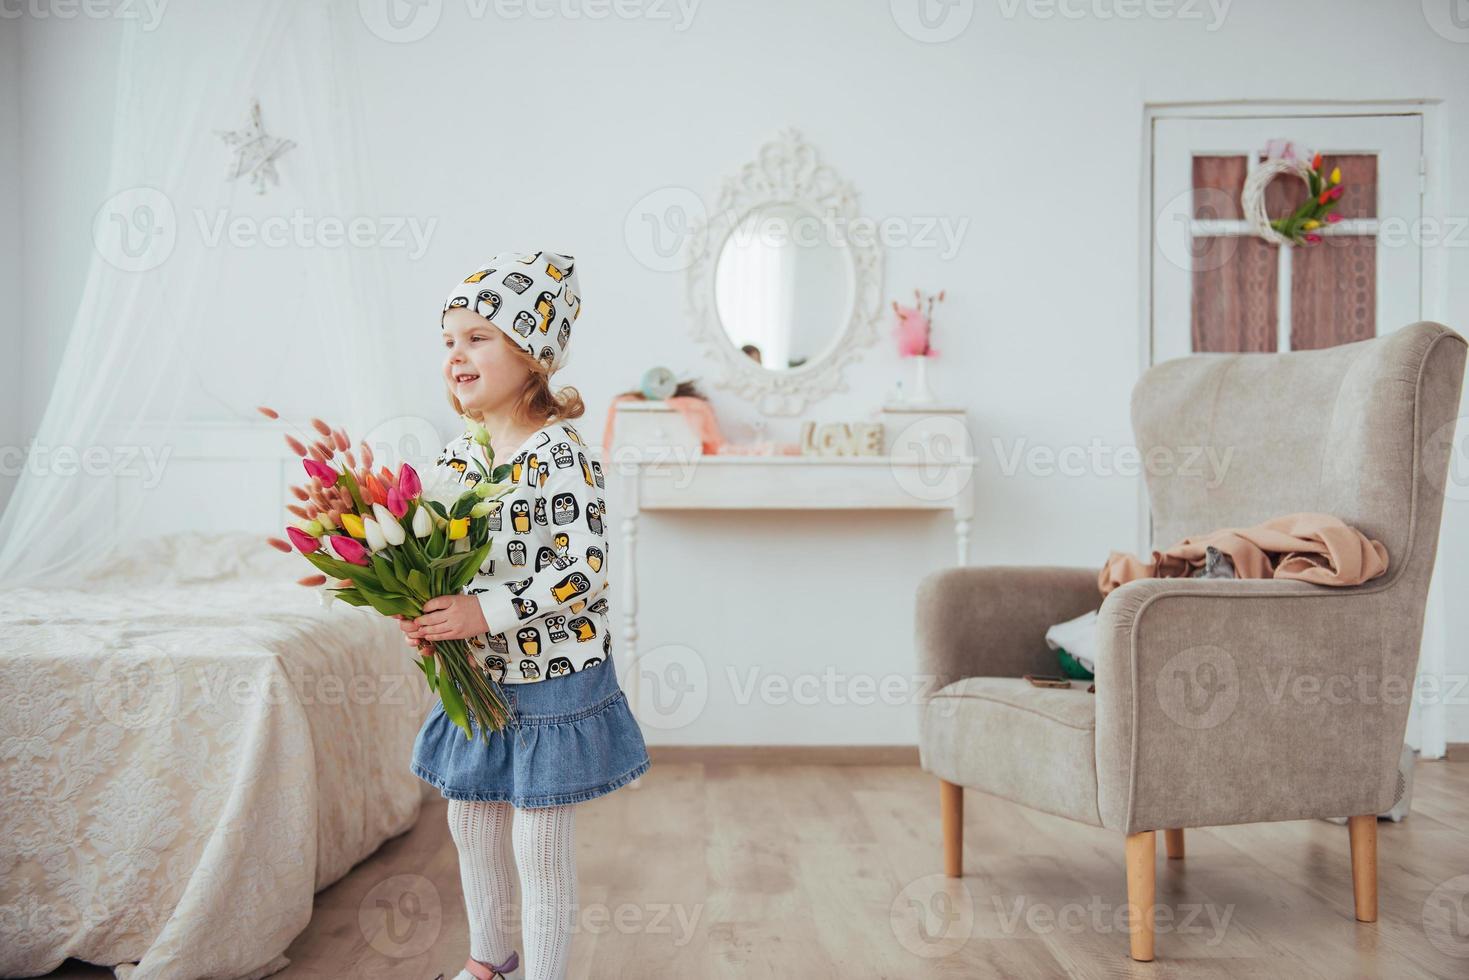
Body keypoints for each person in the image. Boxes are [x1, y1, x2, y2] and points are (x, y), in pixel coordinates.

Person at [400, 251, 650, 980]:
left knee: (537, 841)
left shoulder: (560, 455)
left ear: (531, 355)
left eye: (477, 337)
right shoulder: (459, 455)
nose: (456, 354)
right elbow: (432, 554)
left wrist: (485, 610)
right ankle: (490, 961)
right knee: (469, 816)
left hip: (551, 671)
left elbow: (583, 571)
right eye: (449, 341)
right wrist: (421, 614)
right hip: (479, 671)